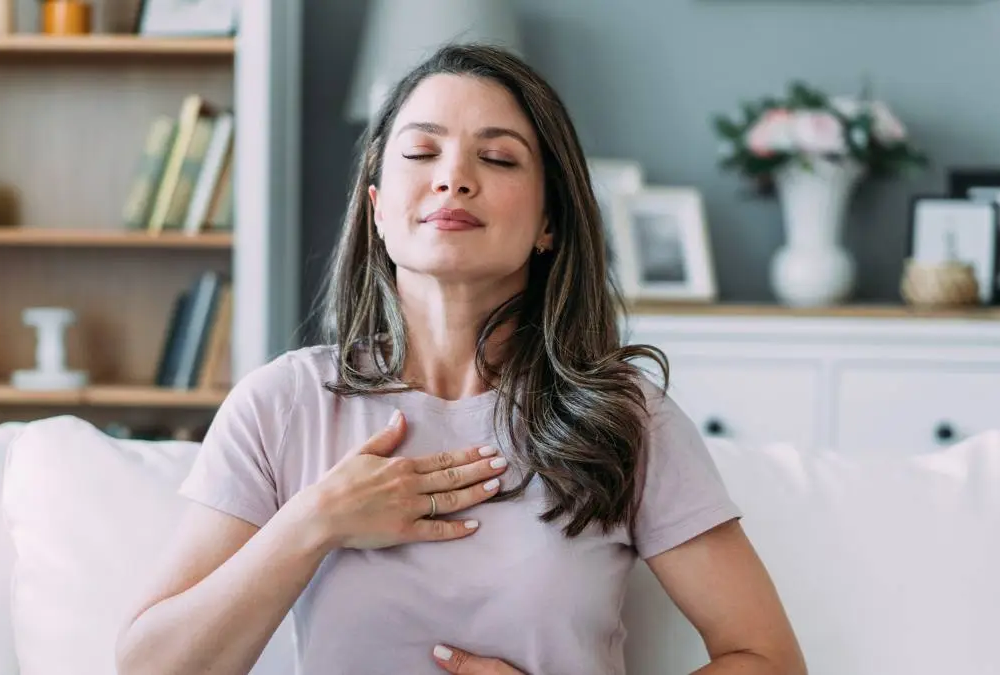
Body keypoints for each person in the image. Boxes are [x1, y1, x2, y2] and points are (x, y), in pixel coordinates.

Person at [115, 43, 805, 675]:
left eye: (498, 158)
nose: (454, 178)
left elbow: (767, 657)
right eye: (421, 153)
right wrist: (312, 521)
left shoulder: (627, 416)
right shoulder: (282, 403)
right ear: (378, 211)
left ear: (548, 223)